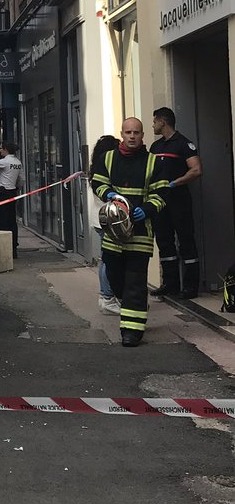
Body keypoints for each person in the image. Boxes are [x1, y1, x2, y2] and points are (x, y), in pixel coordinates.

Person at [91, 118, 167, 346]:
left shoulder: (153, 162)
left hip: (140, 232)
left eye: (136, 132)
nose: (132, 136)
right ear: (122, 134)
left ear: (143, 135)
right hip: (114, 233)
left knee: (135, 281)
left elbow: (162, 194)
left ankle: (131, 331)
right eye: (128, 132)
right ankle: (133, 304)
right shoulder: (109, 158)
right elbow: (98, 183)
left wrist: (146, 209)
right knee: (114, 278)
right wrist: (110, 195)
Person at [150, 107, 203, 298]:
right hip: (160, 202)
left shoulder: (183, 144)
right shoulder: (155, 147)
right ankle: (170, 283)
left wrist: (175, 183)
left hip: (179, 200)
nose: (153, 124)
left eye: (154, 121)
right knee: (164, 242)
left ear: (163, 122)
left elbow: (196, 170)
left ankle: (190, 286)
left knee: (186, 240)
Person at [89, 134, 122, 315]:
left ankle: (106, 297)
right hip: (108, 222)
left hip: (99, 220)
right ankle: (107, 297)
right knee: (108, 261)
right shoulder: (107, 170)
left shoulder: (95, 169)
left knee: (105, 259)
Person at [0, 141, 24, 257]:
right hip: (13, 192)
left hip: (3, 193)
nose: (0, 150)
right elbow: (21, 179)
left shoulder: (3, 162)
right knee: (12, 221)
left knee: (2, 221)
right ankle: (13, 247)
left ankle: (4, 248)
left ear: (6, 149)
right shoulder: (18, 162)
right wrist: (18, 188)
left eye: (1, 148)